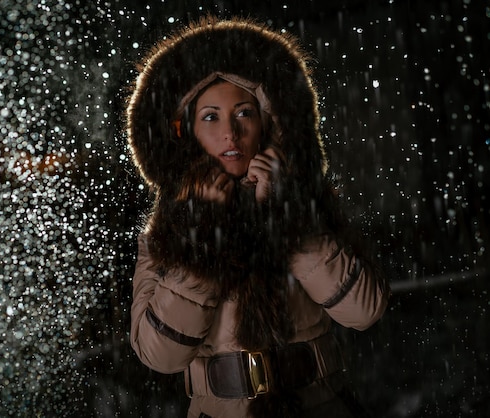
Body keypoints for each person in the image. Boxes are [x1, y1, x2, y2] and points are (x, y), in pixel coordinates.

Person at [125, 16, 390, 418]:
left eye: (244, 112)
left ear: (268, 122)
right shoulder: (167, 230)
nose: (230, 131)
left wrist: (286, 217)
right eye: (211, 116)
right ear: (187, 131)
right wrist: (203, 238)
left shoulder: (309, 204)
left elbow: (364, 310)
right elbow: (159, 355)